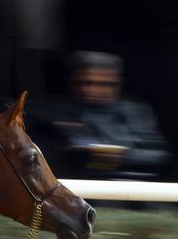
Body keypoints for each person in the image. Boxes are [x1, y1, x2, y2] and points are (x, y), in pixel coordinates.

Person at [35, 51, 169, 185]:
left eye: (103, 84)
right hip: (77, 185)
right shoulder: (54, 112)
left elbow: (158, 154)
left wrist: (121, 156)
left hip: (133, 184)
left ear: (117, 85)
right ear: (72, 83)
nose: (91, 90)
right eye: (85, 83)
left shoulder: (135, 112)